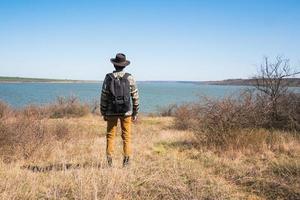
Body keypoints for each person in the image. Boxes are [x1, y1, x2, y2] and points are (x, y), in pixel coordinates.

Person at [100, 53, 139, 167]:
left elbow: (104, 96)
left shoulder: (108, 77)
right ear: (124, 65)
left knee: (110, 136)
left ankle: (109, 163)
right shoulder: (129, 77)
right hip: (126, 112)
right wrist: (135, 112)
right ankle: (126, 162)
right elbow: (135, 96)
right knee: (126, 136)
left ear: (114, 65)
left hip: (111, 112)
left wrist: (103, 112)